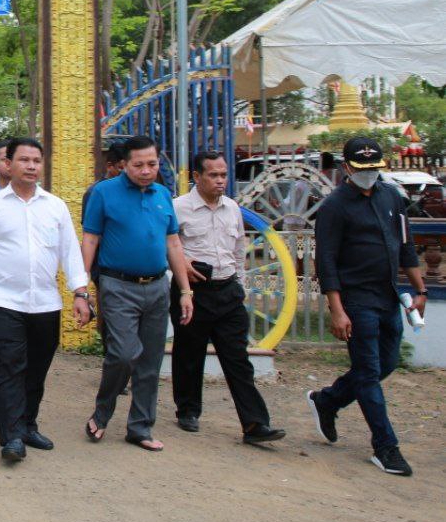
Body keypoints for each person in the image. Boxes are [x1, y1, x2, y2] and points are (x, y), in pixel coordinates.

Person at [0, 138, 91, 461]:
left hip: (45, 303)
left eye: (36, 160)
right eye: (24, 160)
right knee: (8, 368)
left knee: (37, 369)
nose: (31, 166)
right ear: (7, 164)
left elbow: (70, 253)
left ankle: (28, 424)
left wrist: (80, 292)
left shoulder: (55, 207)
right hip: (4, 301)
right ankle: (11, 437)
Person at [308, 137, 429, 477]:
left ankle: (328, 400)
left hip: (388, 295)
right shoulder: (334, 207)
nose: (369, 174)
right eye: (362, 169)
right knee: (367, 372)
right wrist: (336, 309)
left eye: (374, 168)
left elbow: (405, 245)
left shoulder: (392, 196)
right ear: (347, 168)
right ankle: (385, 446)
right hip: (356, 299)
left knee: (385, 364)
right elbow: (326, 261)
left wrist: (420, 289)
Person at [81, 135, 195, 451]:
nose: (146, 171)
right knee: (123, 353)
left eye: (152, 164)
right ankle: (102, 413)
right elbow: (90, 239)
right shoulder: (104, 193)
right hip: (117, 285)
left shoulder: (163, 195)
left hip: (157, 286)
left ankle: (140, 427)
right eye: (138, 165)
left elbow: (173, 243)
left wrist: (185, 291)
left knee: (150, 361)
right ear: (124, 165)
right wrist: (81, 288)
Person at [171, 152, 285, 444]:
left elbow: (238, 251)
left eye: (223, 175)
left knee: (238, 359)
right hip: (193, 291)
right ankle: (188, 410)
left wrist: (240, 286)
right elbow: (166, 246)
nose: (220, 180)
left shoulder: (232, 208)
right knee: (189, 354)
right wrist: (181, 269)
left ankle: (255, 424)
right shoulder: (178, 208)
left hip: (228, 291)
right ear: (197, 177)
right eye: (213, 175)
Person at [85, 142, 127, 388]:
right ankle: (114, 372)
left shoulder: (142, 190)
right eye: (121, 168)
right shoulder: (97, 193)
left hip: (135, 271)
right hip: (106, 269)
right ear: (110, 166)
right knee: (110, 321)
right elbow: (92, 235)